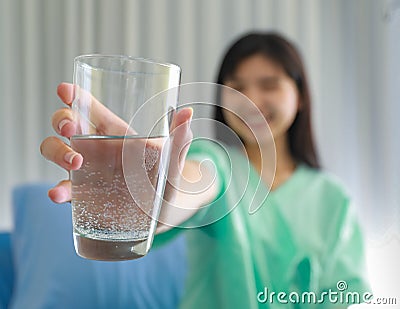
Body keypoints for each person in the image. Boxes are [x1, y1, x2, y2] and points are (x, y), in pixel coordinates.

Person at [40, 32, 370, 308]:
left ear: (299, 96)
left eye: (269, 84)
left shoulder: (333, 198)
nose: (250, 99)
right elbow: (190, 188)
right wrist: (150, 198)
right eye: (237, 88)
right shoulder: (215, 161)